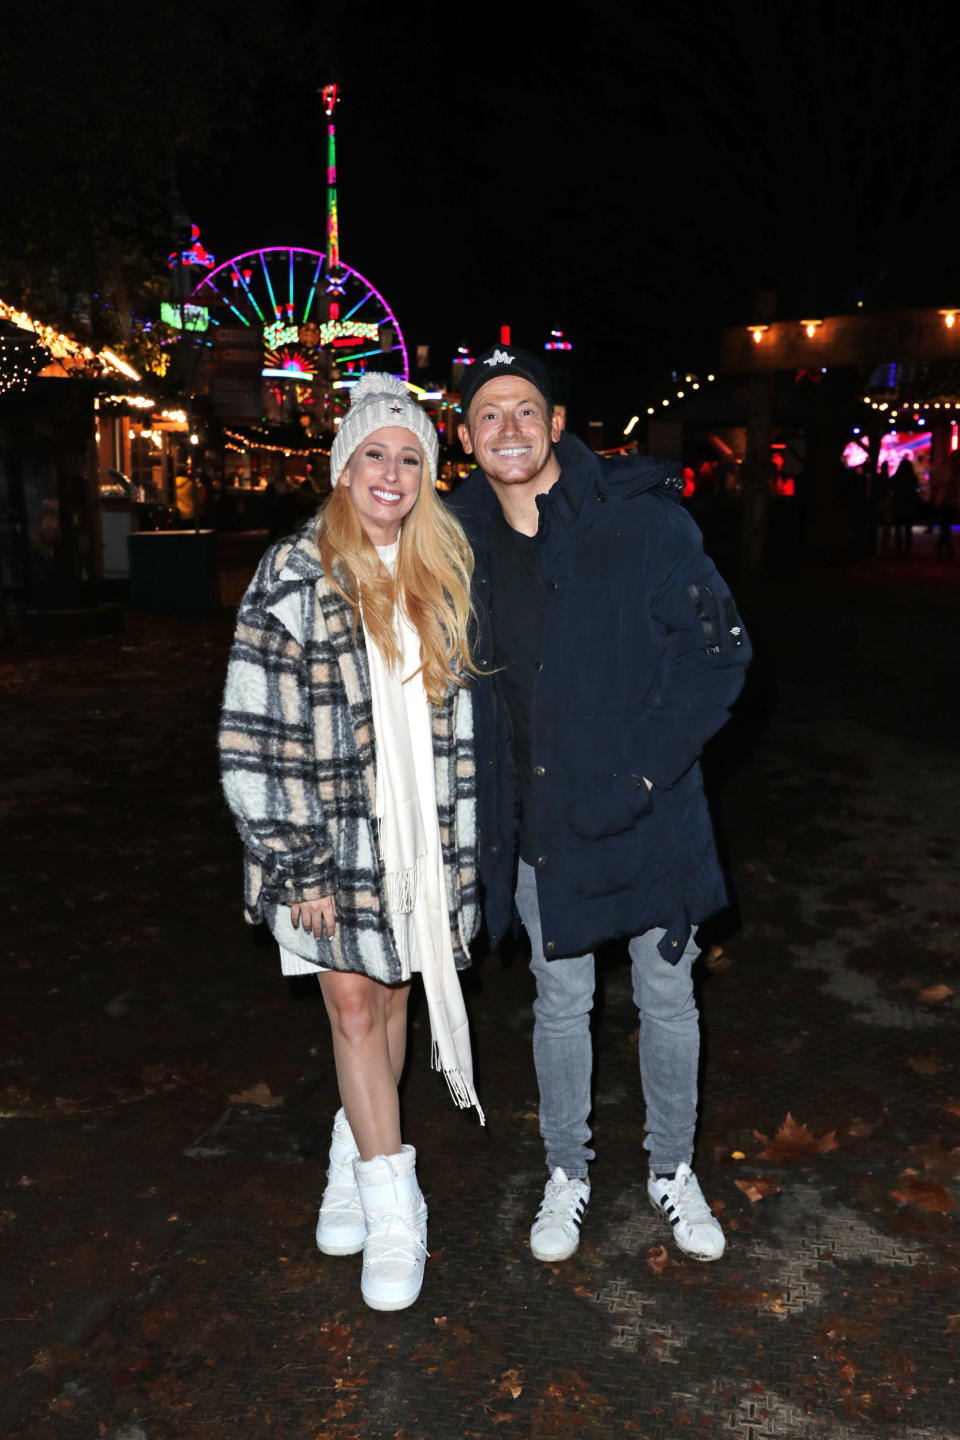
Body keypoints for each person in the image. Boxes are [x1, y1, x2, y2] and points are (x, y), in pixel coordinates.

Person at [448, 345, 751, 1266]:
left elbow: (718, 655)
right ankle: (567, 1173)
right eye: (489, 413)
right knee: (560, 1003)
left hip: (651, 815)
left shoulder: (643, 524)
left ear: (557, 424)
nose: (509, 427)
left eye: (525, 409)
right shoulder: (452, 541)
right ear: (464, 436)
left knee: (668, 998)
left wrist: (644, 773)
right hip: (544, 826)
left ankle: (670, 1170)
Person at [219, 374, 482, 1312]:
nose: (394, 472)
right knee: (353, 1006)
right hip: (323, 844)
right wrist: (295, 863)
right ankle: (392, 1202)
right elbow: (255, 732)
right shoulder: (294, 573)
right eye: (376, 452)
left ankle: (350, 1150)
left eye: (411, 457)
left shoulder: (441, 571)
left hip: (419, 841)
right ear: (342, 466)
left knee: (397, 992)